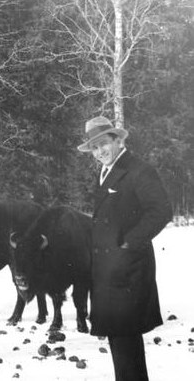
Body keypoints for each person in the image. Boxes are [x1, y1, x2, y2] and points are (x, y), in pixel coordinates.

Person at [76, 116, 172, 381]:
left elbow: (161, 210)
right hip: (111, 274)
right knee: (120, 344)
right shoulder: (108, 171)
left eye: (103, 144)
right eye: (94, 148)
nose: (99, 152)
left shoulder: (138, 170)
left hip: (128, 271)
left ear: (118, 140)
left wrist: (129, 243)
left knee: (126, 344)